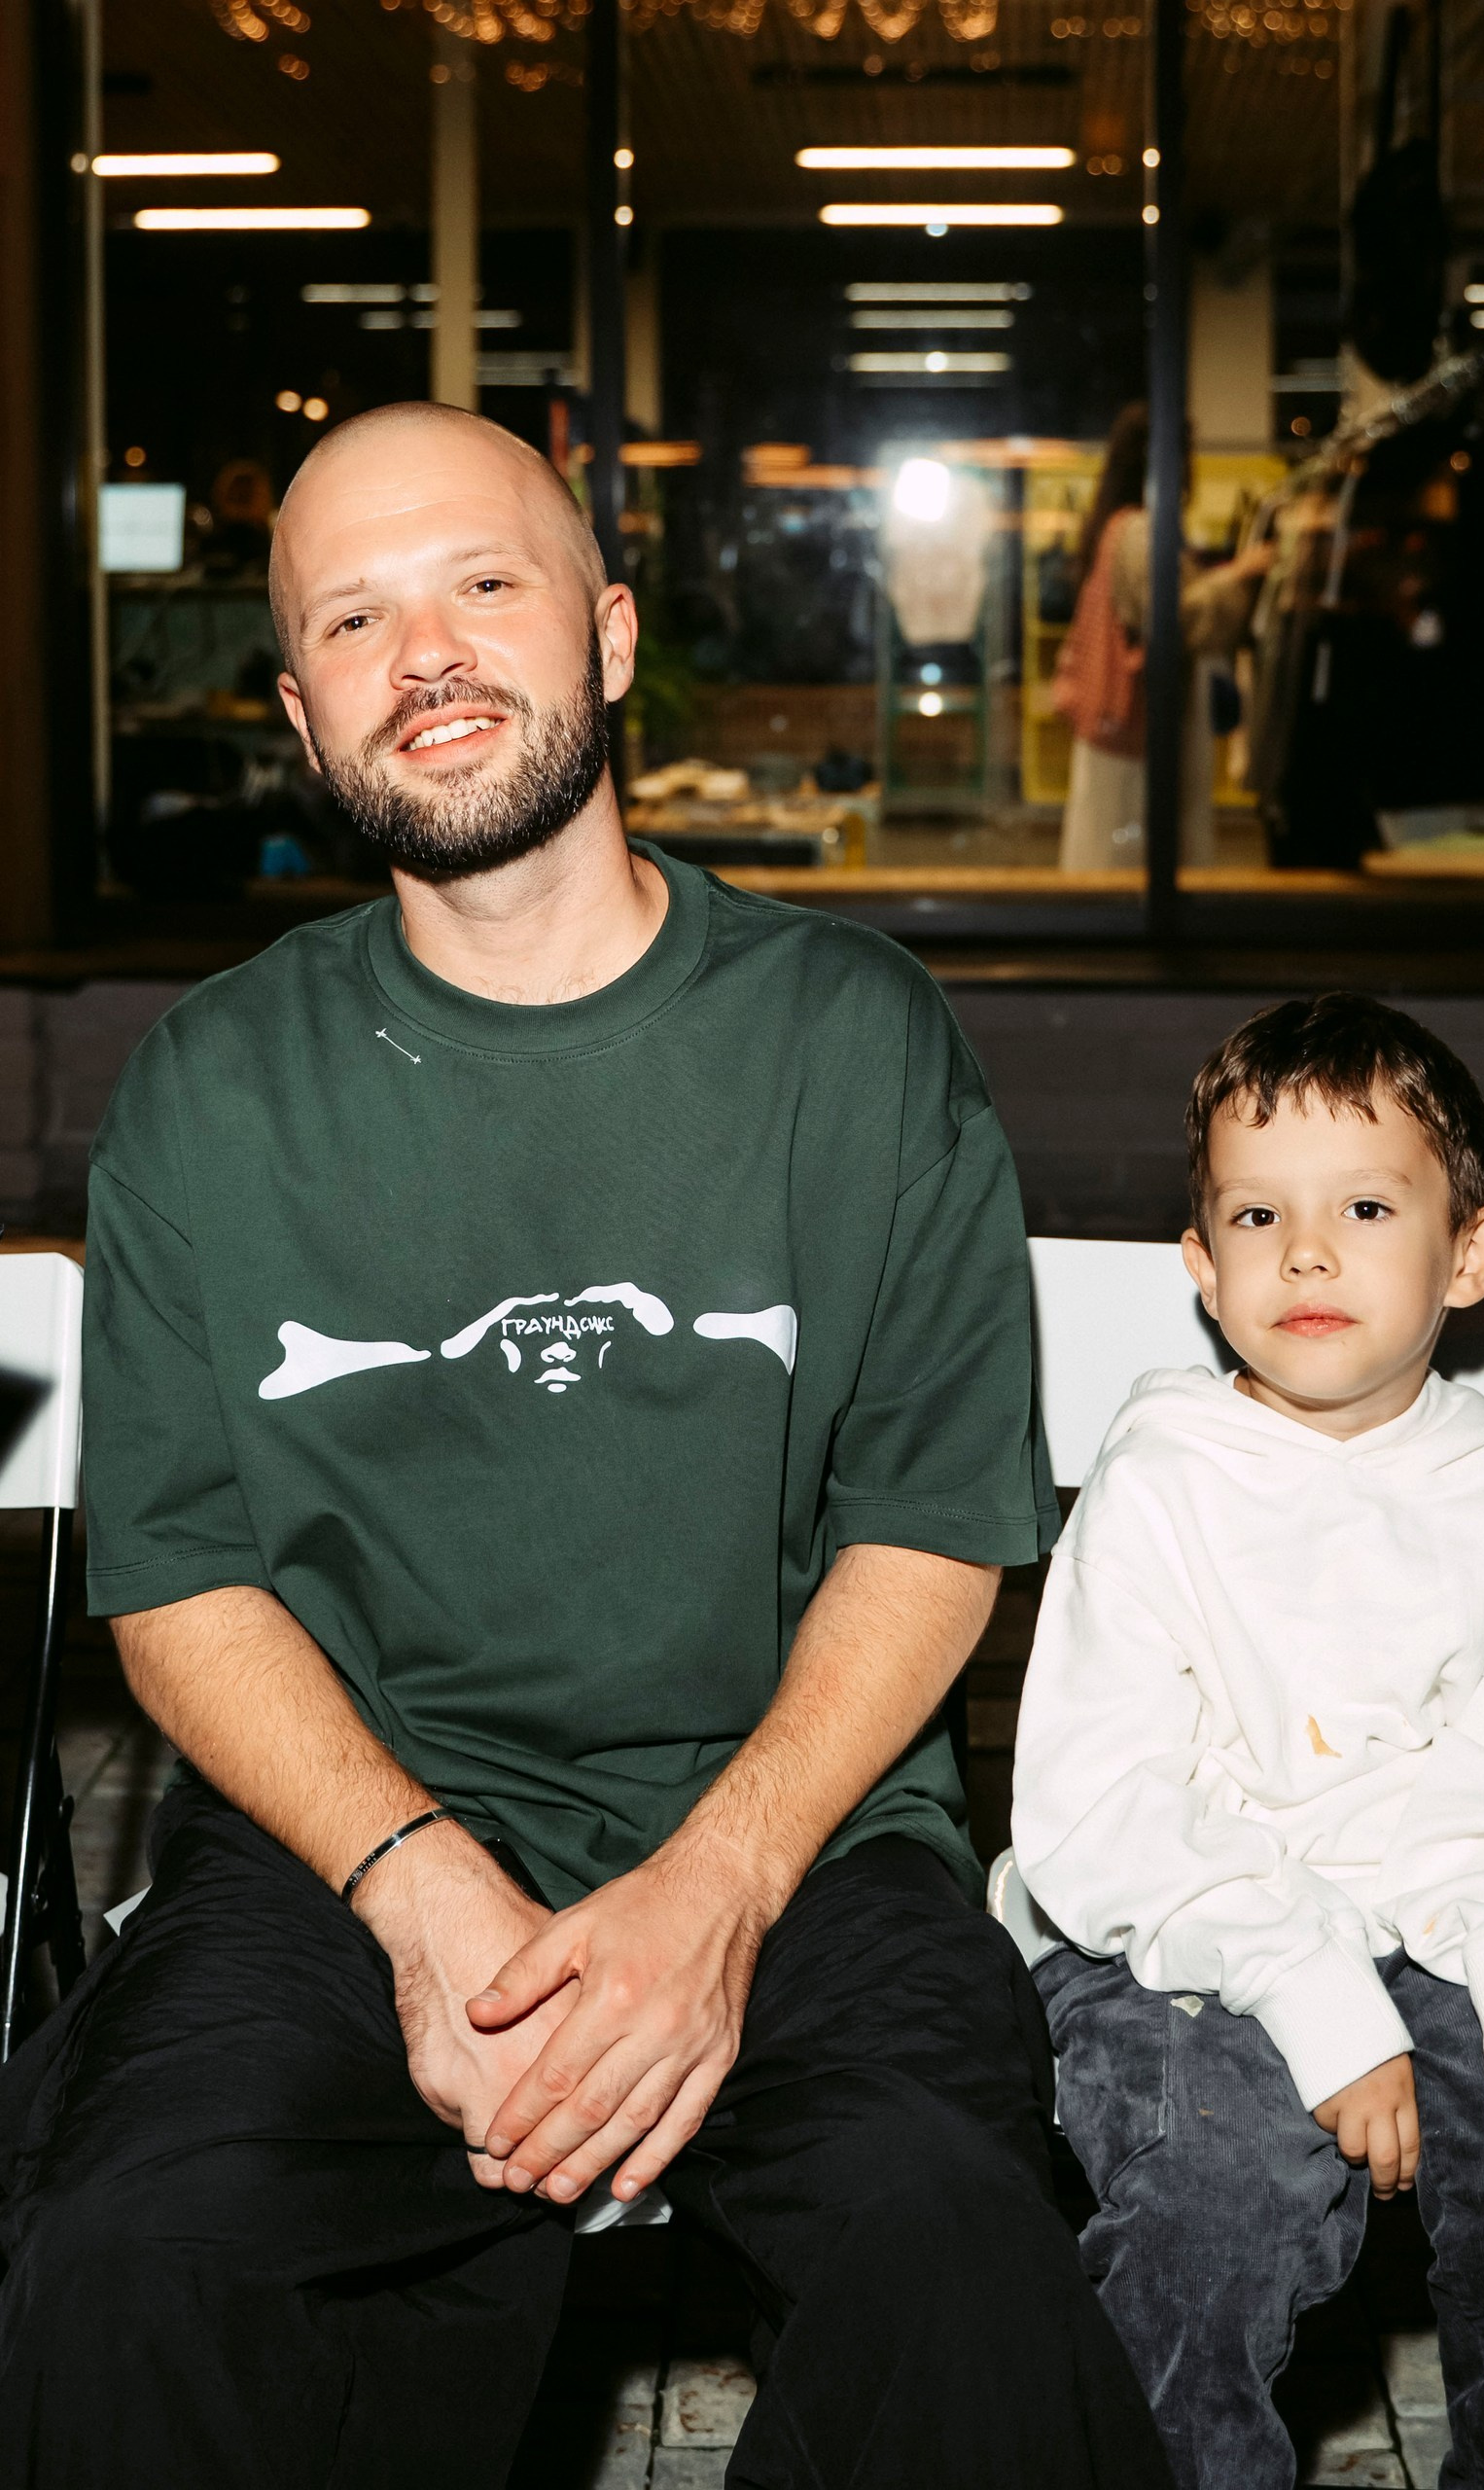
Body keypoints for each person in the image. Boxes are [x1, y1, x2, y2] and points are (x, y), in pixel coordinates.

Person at [0, 403, 1171, 2490]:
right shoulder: (213, 1085)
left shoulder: (848, 1036)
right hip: (345, 1843)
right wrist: (422, 1894)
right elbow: (178, 1583)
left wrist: (713, 1887)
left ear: (611, 635)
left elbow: (928, 1525)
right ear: (301, 712)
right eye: (352, 617)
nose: (424, 653)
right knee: (121, 2259)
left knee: (955, 2253)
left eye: (482, 582)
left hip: (793, 1830)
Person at [1010, 993, 1484, 2490]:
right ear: (1202, 1268)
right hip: (1176, 1926)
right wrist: (1316, 1995)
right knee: (1210, 2204)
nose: (1304, 1252)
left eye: (1364, 1208)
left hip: (1466, 1913)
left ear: (1467, 1255)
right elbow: (1105, 1806)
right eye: (1257, 1214)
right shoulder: (1158, 1481)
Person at [1053, 403, 1269, 874]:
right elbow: (1174, 617)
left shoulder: (1114, 525)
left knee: (1112, 847)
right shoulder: (1140, 530)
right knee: (1135, 852)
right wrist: (1241, 574)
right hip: (1142, 724)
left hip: (1118, 725)